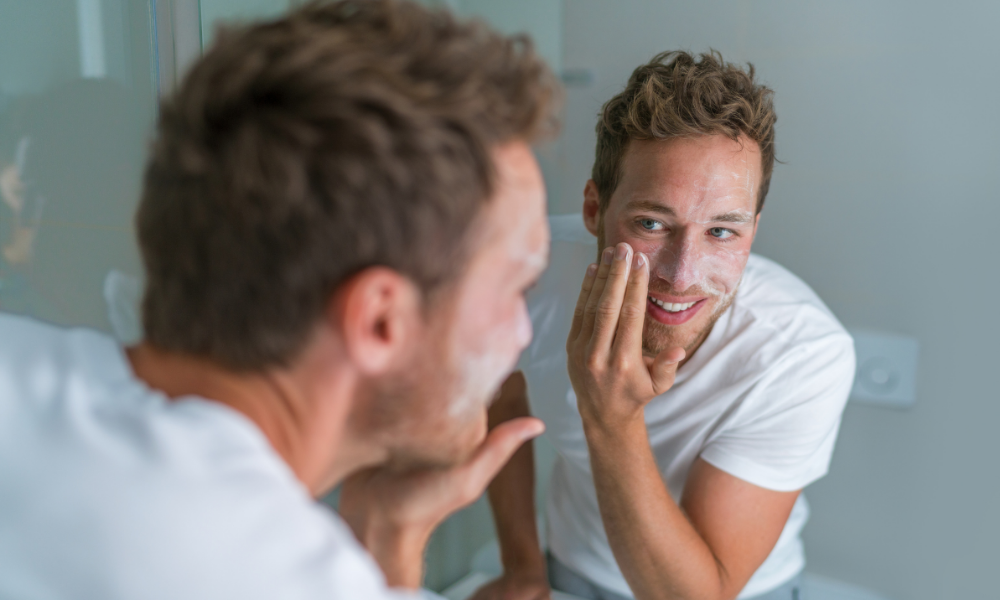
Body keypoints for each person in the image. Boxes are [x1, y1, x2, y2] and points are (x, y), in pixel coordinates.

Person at [0, 1, 560, 598]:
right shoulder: (276, 575)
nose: (524, 332)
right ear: (379, 321)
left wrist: (388, 529)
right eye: (514, 289)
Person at [475, 52, 855, 600]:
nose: (681, 275)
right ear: (593, 209)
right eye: (651, 223)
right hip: (571, 570)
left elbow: (700, 593)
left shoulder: (800, 354)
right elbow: (502, 404)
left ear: (754, 228)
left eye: (722, 232)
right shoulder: (526, 274)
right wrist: (522, 566)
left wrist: (611, 416)